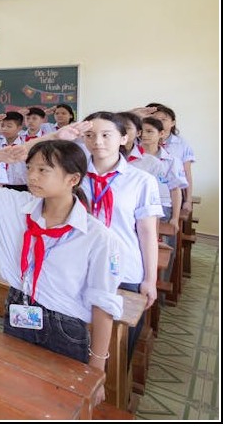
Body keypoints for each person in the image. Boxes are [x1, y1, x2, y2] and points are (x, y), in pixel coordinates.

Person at [0, 139, 122, 407]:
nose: (32, 176)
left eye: (44, 170)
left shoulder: (98, 237)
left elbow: (103, 305)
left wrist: (97, 370)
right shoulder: (17, 205)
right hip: (19, 307)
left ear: (73, 179)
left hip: (64, 326)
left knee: (59, 404)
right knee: (15, 392)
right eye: (29, 168)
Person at [81, 111, 162, 362]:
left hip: (125, 271)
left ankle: (115, 396)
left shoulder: (142, 181)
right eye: (91, 135)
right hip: (82, 268)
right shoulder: (75, 177)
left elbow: (148, 233)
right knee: (83, 341)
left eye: (107, 135)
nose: (98, 141)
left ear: (125, 138)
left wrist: (150, 279)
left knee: (120, 350)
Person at [148, 104, 196, 219]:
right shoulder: (142, 142)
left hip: (172, 195)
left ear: (173, 123)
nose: (159, 122)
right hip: (148, 194)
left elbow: (187, 173)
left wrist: (188, 200)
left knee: (168, 229)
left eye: (163, 119)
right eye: (155, 119)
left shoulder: (182, 144)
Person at [0, 112, 28, 191]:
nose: (4, 129)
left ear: (19, 128)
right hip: (0, 187)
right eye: (2, 125)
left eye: (9, 126)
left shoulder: (26, 145)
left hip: (23, 187)